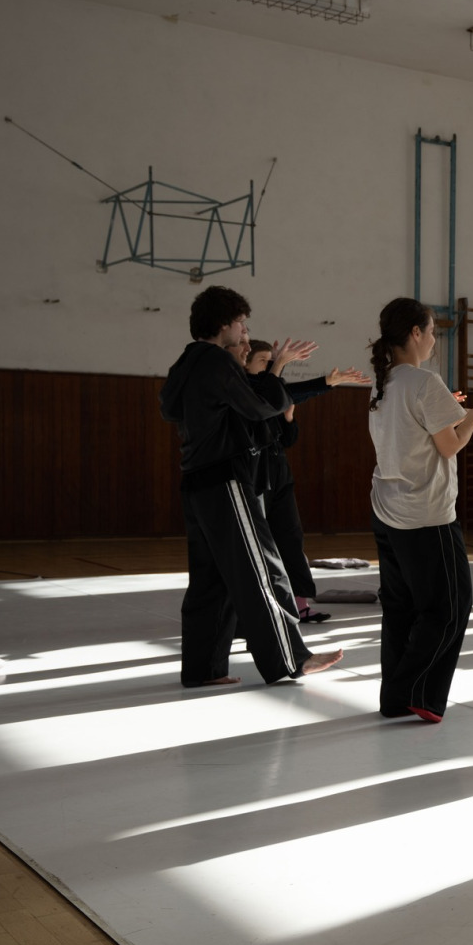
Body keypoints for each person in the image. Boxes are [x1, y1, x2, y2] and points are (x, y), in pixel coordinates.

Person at [159, 285, 343, 687]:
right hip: (225, 480)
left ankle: (204, 670)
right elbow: (263, 407)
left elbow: (170, 408)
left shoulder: (186, 362)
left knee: (211, 580)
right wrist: (276, 369)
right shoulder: (215, 360)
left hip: (196, 481)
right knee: (264, 568)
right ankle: (292, 659)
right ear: (224, 323)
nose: (245, 332)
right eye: (242, 324)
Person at [367, 298, 473, 724]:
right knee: (451, 605)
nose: (434, 341)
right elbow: (449, 445)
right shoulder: (424, 381)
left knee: (401, 609)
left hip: (388, 509)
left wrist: (452, 408)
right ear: (414, 333)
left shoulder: (384, 381)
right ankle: (416, 692)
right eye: (430, 332)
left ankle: (395, 699)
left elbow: (418, 428)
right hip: (425, 513)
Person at [244, 339, 369, 623]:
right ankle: (258, 608)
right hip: (255, 478)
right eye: (263, 361)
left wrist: (289, 418)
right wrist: (325, 381)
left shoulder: (271, 390)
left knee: (291, 537)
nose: (268, 366)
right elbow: (282, 394)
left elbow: (288, 437)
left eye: (270, 361)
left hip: (280, 475)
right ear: (246, 364)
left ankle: (300, 604)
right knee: (260, 545)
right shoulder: (247, 390)